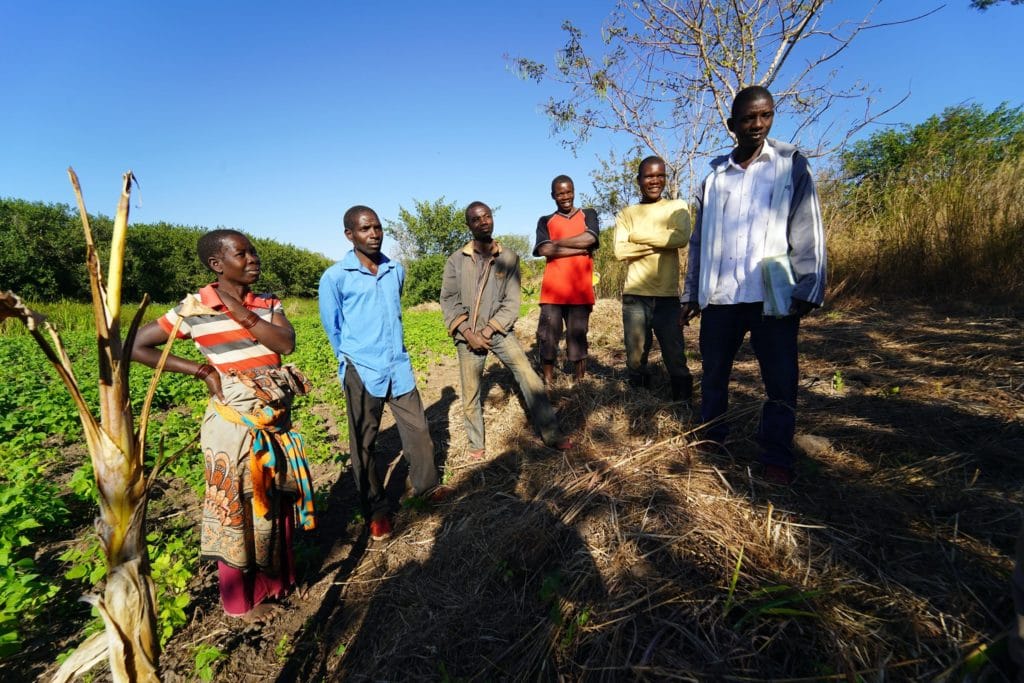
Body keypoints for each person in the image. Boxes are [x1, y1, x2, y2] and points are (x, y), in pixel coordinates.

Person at [132, 229, 316, 622]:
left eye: (254, 251)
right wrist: (201, 370)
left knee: (272, 503)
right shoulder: (194, 307)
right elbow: (134, 346)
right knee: (235, 511)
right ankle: (240, 602)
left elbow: (284, 345)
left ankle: (276, 585)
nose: (253, 259)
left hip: (273, 421)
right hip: (232, 425)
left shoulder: (267, 303)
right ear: (217, 264)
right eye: (242, 254)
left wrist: (239, 312)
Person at [681, 85, 826, 485]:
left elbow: (807, 227)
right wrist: (691, 292)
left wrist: (808, 286)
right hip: (722, 295)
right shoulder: (714, 179)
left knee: (780, 380)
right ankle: (712, 436)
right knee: (713, 374)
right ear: (732, 125)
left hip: (772, 298)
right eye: (748, 118)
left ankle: (777, 454)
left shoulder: (789, 165)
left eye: (765, 116)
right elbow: (698, 241)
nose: (758, 125)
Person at [319, 205, 449, 542]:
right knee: (364, 443)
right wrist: (348, 362)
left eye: (377, 227)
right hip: (361, 369)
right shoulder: (335, 277)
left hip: (398, 365)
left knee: (418, 429)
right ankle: (376, 510)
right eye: (365, 229)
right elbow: (333, 328)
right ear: (349, 235)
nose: (373, 234)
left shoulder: (395, 270)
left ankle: (427, 486)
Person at [441, 201, 573, 460]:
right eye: (477, 219)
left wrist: (488, 331)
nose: (483, 222)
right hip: (467, 337)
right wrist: (469, 333)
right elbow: (448, 299)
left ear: (492, 219)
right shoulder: (456, 260)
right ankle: (476, 444)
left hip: (499, 332)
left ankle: (552, 433)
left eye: (487, 216)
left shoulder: (509, 258)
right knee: (471, 392)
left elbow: (512, 303)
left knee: (529, 376)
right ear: (469, 225)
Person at [613, 156, 694, 401]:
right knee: (635, 357)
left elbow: (680, 239)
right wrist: (660, 243)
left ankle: (684, 404)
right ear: (639, 180)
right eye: (649, 176)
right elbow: (620, 251)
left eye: (660, 175)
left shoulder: (677, 206)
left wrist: (637, 237)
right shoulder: (627, 213)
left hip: (667, 298)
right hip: (635, 298)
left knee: (675, 356)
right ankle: (641, 403)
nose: (655, 181)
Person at [533, 175, 600, 385]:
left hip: (580, 291)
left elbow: (591, 238)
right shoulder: (545, 221)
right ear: (553, 195)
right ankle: (549, 383)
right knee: (548, 338)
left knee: (578, 337)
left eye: (568, 191)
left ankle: (579, 384)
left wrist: (557, 245)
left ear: (574, 191)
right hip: (553, 292)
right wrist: (579, 247)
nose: (565, 197)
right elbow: (543, 248)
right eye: (560, 193)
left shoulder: (588, 214)